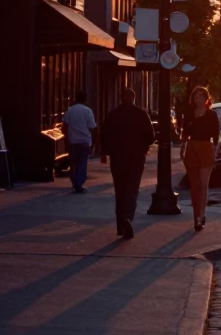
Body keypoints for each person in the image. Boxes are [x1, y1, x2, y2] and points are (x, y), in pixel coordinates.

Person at [100, 86, 156, 239]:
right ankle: (127, 218)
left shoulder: (113, 115)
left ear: (120, 98)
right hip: (136, 157)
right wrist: (144, 147)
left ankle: (121, 225)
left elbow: (104, 135)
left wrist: (105, 153)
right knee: (132, 190)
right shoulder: (141, 114)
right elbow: (151, 137)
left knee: (120, 190)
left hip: (118, 158)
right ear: (134, 98)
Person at [181, 85, 220, 231]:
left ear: (206, 98)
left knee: (203, 185)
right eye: (196, 96)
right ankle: (195, 215)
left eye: (201, 96)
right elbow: (185, 132)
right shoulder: (189, 114)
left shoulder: (212, 115)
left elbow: (216, 135)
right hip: (192, 147)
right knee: (194, 186)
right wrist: (183, 147)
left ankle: (201, 216)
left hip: (205, 147)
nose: (198, 99)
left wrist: (214, 151)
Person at [62, 90, 96, 193]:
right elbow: (92, 127)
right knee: (82, 163)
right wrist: (93, 141)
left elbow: (65, 126)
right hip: (85, 140)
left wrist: (67, 137)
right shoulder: (88, 111)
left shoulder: (70, 110)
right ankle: (79, 183)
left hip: (73, 140)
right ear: (85, 99)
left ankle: (74, 182)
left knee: (74, 163)